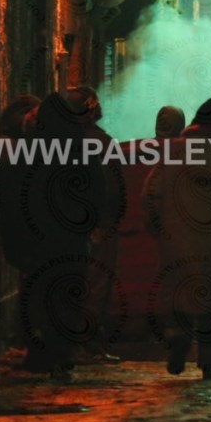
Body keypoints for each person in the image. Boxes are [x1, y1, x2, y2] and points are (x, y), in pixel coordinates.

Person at [143, 99, 211, 380]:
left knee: (179, 294)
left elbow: (151, 191)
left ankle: (178, 337)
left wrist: (155, 226)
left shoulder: (173, 151)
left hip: (176, 239)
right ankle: (209, 360)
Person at [19, 92, 105, 381]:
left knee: (42, 293)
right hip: (72, 235)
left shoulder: (32, 149)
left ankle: (43, 351)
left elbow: (23, 192)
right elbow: (97, 189)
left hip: (40, 234)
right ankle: (63, 354)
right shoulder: (81, 148)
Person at [66, 85, 126, 363]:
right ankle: (86, 344)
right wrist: (105, 223)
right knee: (95, 284)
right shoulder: (100, 143)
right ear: (90, 109)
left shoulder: (58, 141)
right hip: (98, 227)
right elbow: (110, 189)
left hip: (67, 228)